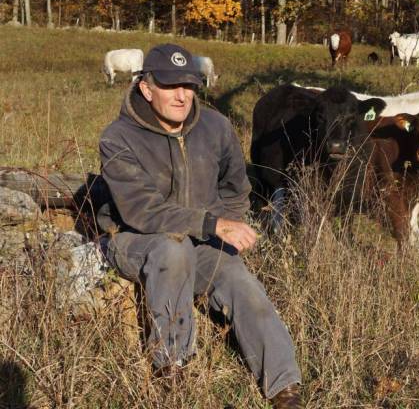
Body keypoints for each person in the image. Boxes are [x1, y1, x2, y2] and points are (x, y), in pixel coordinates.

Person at [98, 43, 303, 408]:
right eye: (170, 85)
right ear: (146, 87)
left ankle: (285, 386)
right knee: (172, 249)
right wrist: (211, 222)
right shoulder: (118, 138)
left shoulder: (216, 127)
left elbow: (236, 186)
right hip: (134, 239)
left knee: (238, 281)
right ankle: (172, 368)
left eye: (190, 86)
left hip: (202, 236)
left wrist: (231, 223)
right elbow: (141, 210)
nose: (182, 95)